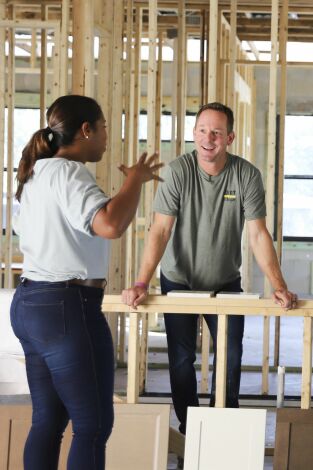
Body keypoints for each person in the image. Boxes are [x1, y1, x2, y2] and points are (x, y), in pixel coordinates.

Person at [122, 102, 298, 437]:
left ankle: (223, 425)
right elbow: (159, 231)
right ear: (194, 134)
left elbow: (258, 233)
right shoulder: (177, 172)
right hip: (178, 280)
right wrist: (141, 281)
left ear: (229, 137)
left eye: (217, 132)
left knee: (231, 356)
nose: (209, 137)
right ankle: (192, 429)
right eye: (202, 130)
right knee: (180, 360)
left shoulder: (246, 175)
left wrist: (279, 284)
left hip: (225, 282)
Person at [10, 94, 163, 470]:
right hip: (68, 308)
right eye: (105, 126)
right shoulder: (68, 173)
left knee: (48, 421)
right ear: (86, 130)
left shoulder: (37, 172)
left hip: (31, 303)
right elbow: (110, 224)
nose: (107, 135)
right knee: (93, 426)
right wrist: (135, 180)